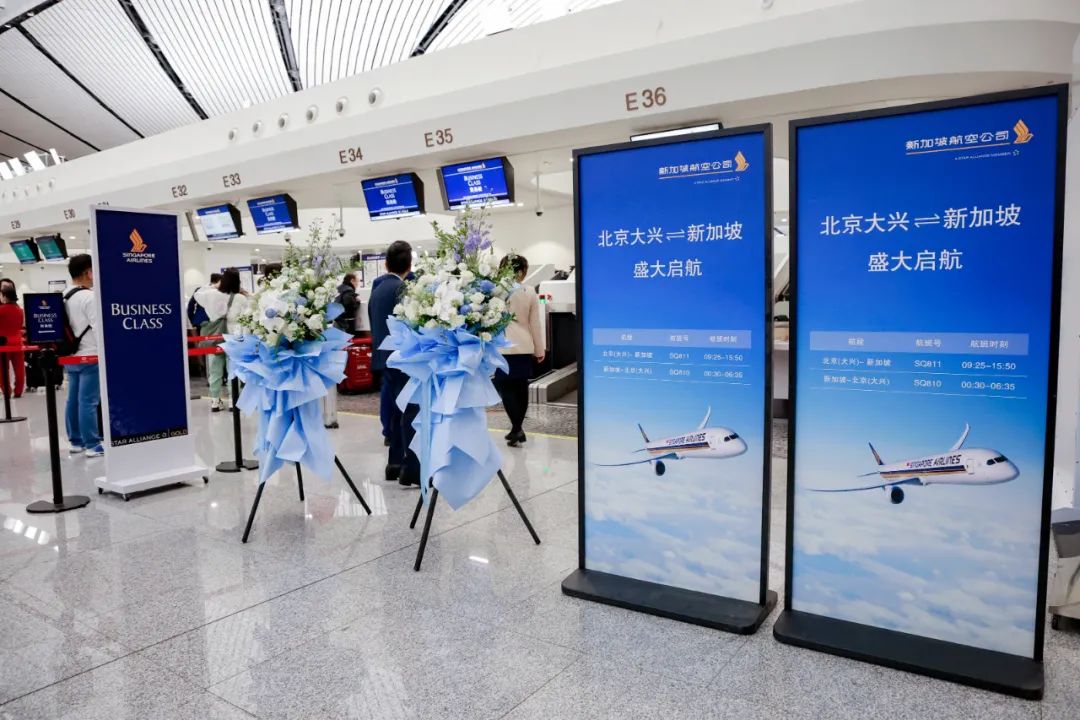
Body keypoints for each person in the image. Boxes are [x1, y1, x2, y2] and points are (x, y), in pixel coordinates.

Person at [369, 240, 419, 485]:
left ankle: (394, 463)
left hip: (383, 359)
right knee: (411, 410)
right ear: (409, 266)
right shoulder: (403, 290)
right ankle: (411, 469)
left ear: (386, 264)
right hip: (402, 359)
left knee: (397, 411)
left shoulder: (377, 289)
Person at [494, 254, 545, 447]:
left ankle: (516, 428)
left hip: (502, 346)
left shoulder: (495, 291)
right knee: (521, 387)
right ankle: (517, 428)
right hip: (524, 345)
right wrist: (539, 349)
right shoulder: (529, 291)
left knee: (505, 387)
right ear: (522, 271)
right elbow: (535, 324)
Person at [194, 268, 249, 411]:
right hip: (234, 338)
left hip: (215, 337)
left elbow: (197, 294)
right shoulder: (241, 298)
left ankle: (214, 401)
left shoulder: (211, 294)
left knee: (215, 370)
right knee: (233, 370)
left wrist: (214, 285)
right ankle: (232, 401)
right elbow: (246, 320)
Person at [64, 254, 103, 457]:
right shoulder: (89, 297)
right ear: (88, 272)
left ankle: (76, 441)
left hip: (71, 355)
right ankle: (92, 444)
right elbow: (98, 328)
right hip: (91, 355)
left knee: (73, 399)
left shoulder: (64, 295)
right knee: (88, 401)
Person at [0, 285, 25, 399]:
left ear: (5, 296)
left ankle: (7, 390)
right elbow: (20, 325)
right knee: (19, 368)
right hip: (18, 341)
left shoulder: (1, 310)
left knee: (3, 369)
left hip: (3, 342)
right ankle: (18, 390)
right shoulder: (20, 310)